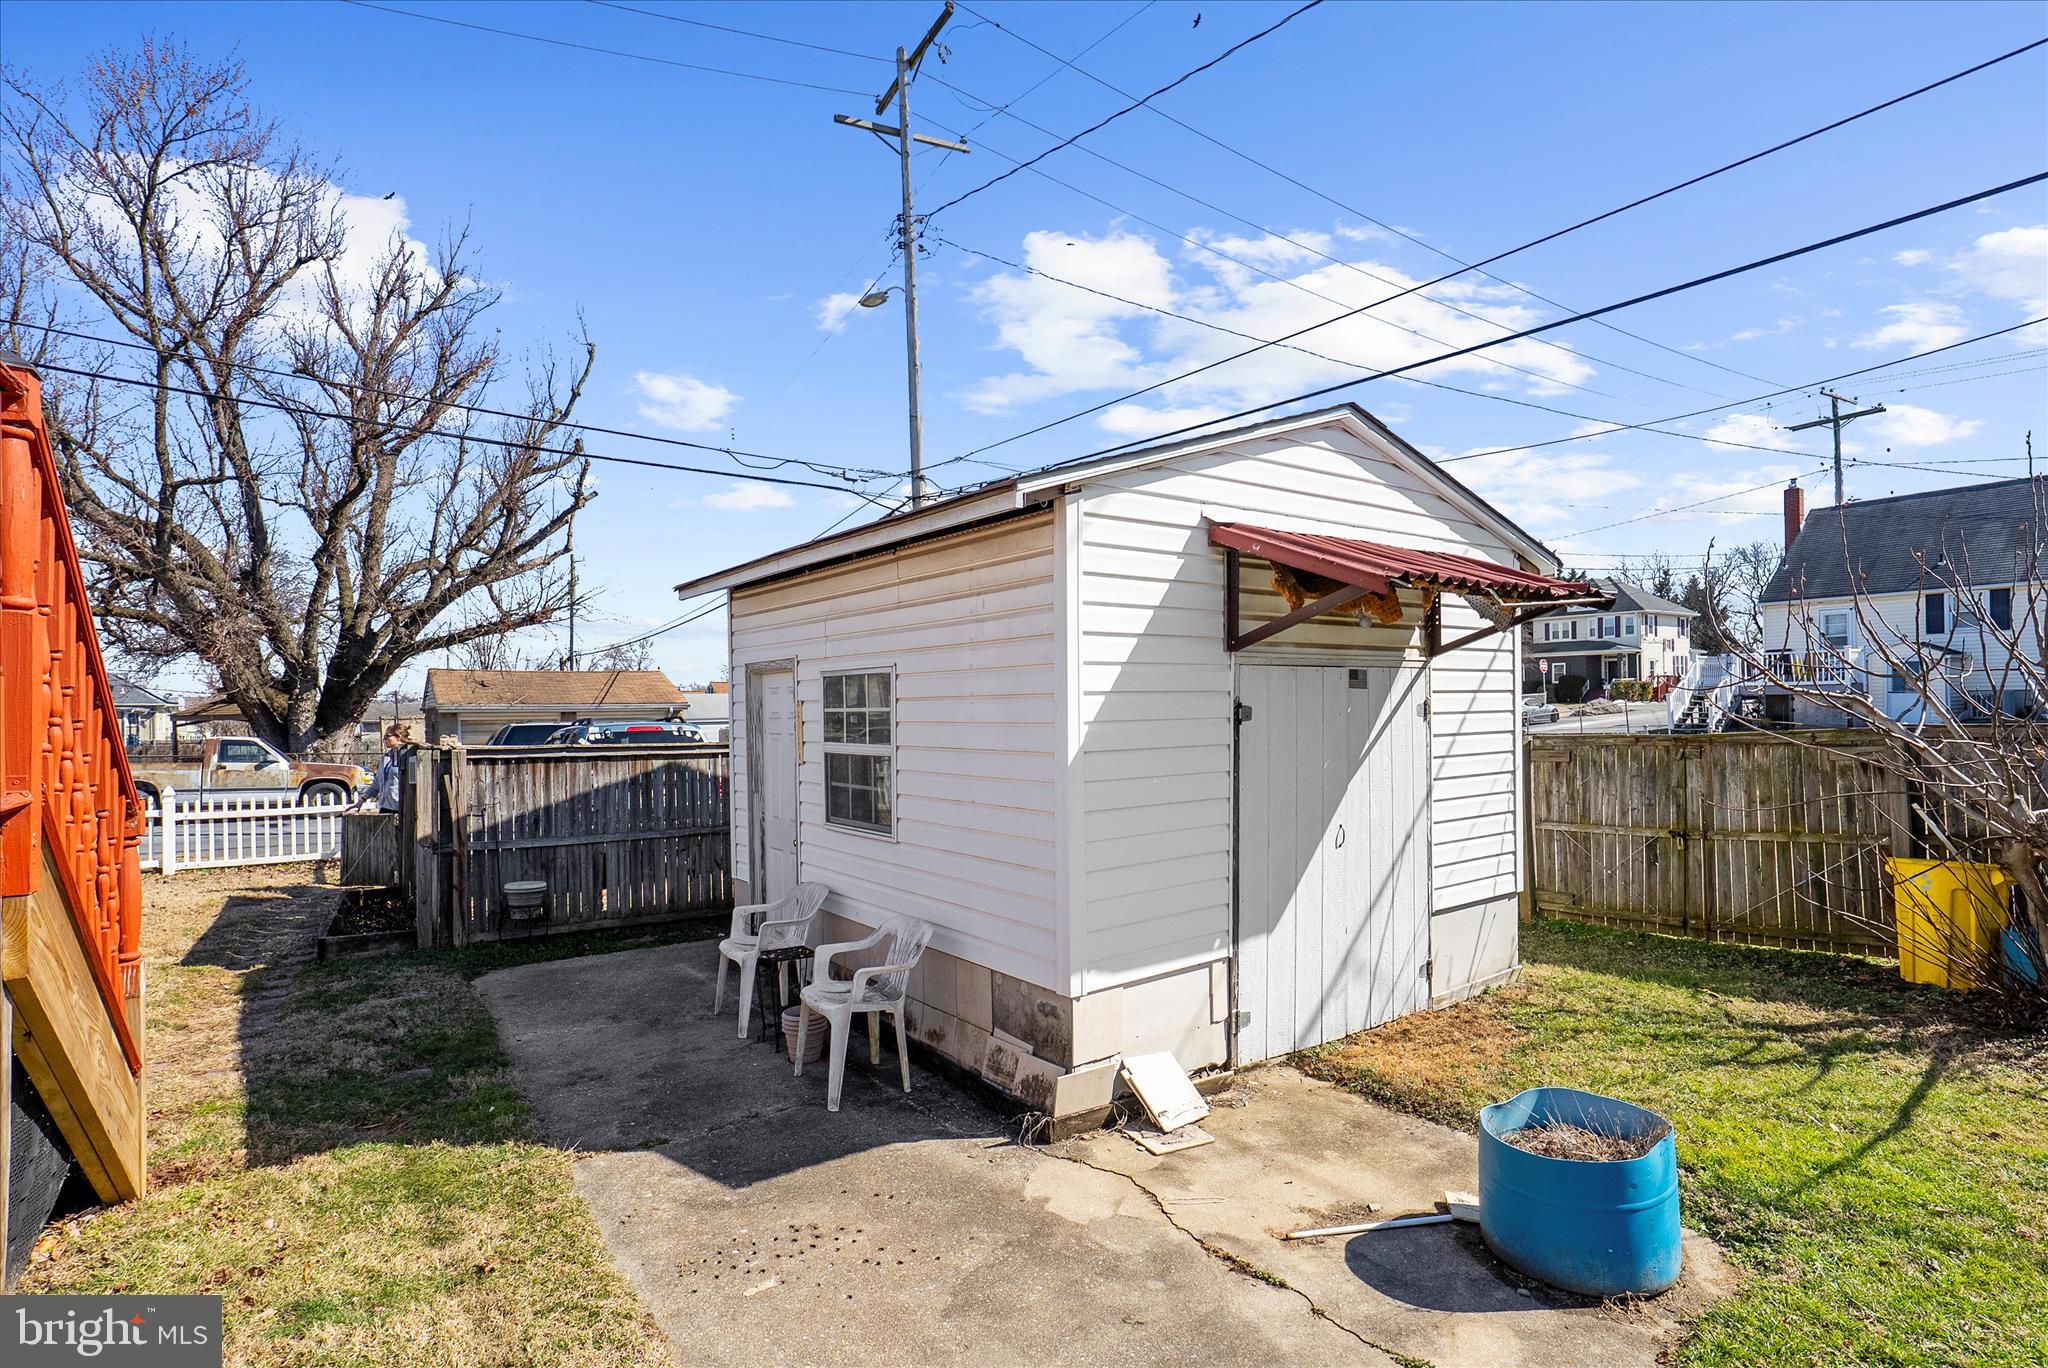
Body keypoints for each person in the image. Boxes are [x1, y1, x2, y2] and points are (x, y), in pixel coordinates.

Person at [356, 724, 412, 812]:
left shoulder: (409, 756)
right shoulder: (386, 758)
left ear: (398, 737)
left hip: (402, 808)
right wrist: (362, 800)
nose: (384, 740)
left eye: (387, 737)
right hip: (385, 807)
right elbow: (377, 783)